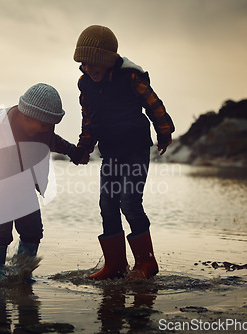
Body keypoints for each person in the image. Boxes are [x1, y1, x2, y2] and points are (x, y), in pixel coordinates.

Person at [71, 25, 175, 281]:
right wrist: (84, 148)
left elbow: (154, 104)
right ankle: (115, 265)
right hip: (111, 153)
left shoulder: (130, 78)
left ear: (108, 60)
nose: (88, 67)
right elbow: (89, 120)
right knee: (107, 204)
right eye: (84, 62)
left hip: (136, 150)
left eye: (93, 62)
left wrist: (164, 132)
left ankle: (146, 263)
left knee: (129, 201)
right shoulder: (86, 84)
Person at [0, 83, 80, 278]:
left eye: (51, 125)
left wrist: (74, 153)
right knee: (2, 230)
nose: (47, 129)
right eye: (44, 125)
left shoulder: (43, 131)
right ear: (26, 116)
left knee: (33, 230)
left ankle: (22, 271)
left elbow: (55, 142)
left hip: (23, 185)